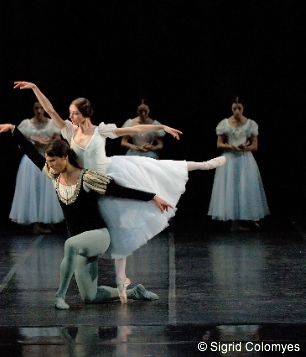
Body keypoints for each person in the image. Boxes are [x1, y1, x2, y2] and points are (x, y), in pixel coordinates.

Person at [13, 81, 226, 302]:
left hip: (105, 175)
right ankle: (128, 289)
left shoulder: (101, 131)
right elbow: (50, 110)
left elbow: (133, 130)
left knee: (157, 170)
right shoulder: (69, 131)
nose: (71, 116)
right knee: (106, 248)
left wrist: (161, 127)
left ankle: (202, 164)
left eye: (74, 113)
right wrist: (35, 87)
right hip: (87, 184)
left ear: (84, 114)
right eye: (70, 113)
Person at [0, 123, 168, 309]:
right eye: (48, 162)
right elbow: (33, 153)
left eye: (52, 161)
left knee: (70, 244)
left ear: (65, 157)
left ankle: (60, 296)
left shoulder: (87, 177)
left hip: (99, 236)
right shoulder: (55, 175)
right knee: (90, 296)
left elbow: (118, 190)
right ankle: (134, 292)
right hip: (79, 242)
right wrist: (13, 130)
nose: (49, 166)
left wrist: (152, 197)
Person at [208, 97, 269, 231]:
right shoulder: (224, 123)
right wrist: (231, 147)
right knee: (231, 188)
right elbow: (219, 144)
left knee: (246, 188)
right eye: (234, 108)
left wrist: (243, 148)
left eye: (239, 108)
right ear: (231, 108)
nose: (236, 111)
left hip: (245, 159)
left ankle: (251, 218)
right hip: (229, 159)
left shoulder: (250, 124)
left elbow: (255, 146)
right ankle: (234, 223)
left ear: (243, 109)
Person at [9, 101, 64, 234]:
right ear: (33, 110)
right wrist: (34, 142)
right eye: (36, 108)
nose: (39, 110)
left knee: (47, 191)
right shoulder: (26, 124)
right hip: (30, 161)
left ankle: (47, 220)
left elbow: (58, 142)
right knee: (32, 190)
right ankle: (36, 223)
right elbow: (20, 145)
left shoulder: (52, 124)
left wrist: (48, 143)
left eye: (41, 108)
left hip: (47, 159)